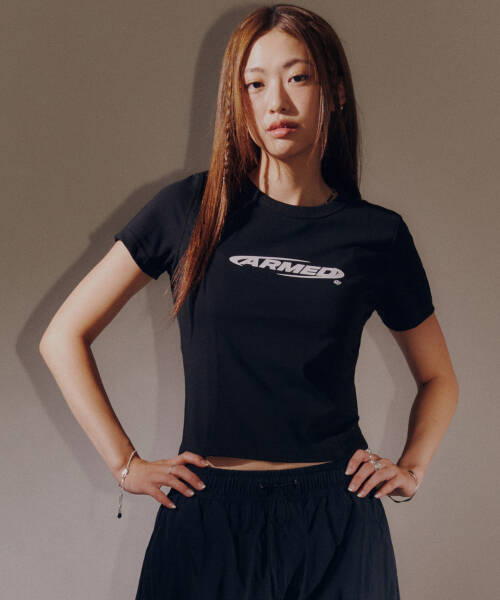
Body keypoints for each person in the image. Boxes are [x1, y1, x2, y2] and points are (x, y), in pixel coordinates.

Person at [39, 4, 459, 599]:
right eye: (255, 84)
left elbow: (440, 377)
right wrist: (125, 464)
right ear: (236, 101)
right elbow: (62, 338)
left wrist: (412, 468)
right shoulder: (190, 210)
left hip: (336, 521)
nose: (276, 103)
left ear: (335, 91)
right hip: (207, 518)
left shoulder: (376, 234)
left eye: (299, 77)